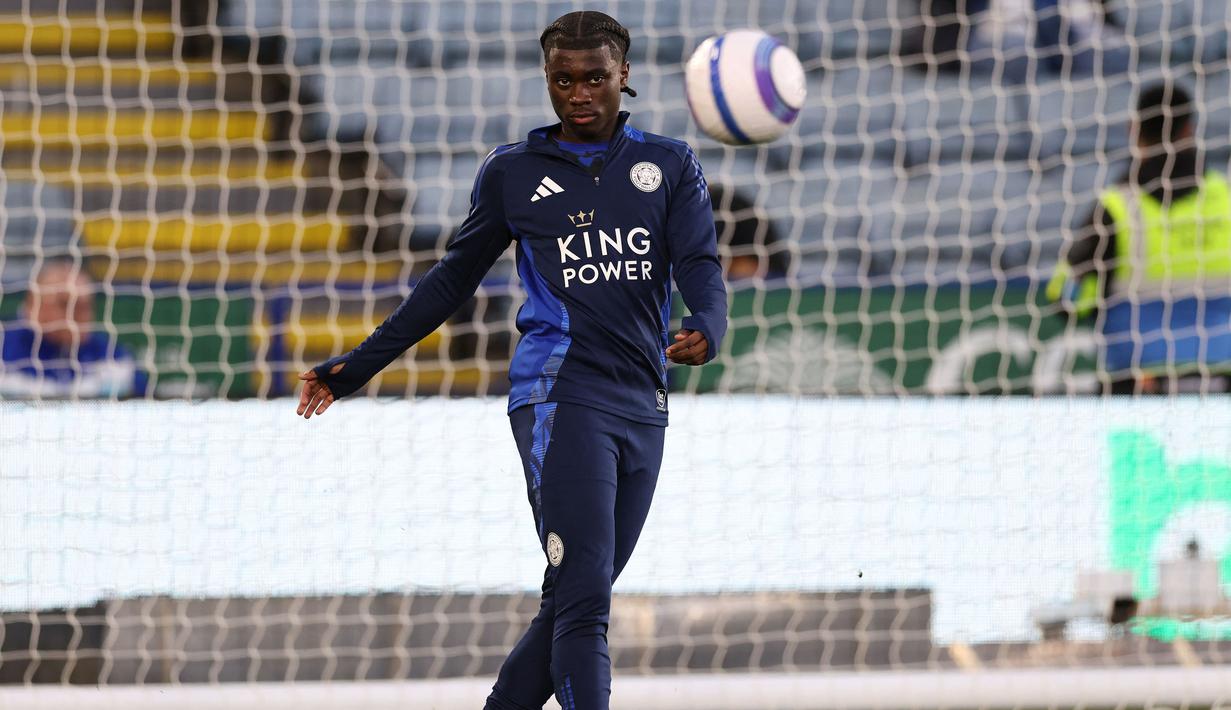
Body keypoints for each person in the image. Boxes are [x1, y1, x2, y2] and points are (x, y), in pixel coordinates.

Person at [295, 11, 727, 709]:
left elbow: (700, 261)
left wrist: (707, 324)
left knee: (572, 597)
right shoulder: (513, 173)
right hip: (559, 395)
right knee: (586, 602)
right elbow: (449, 280)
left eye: (594, 78)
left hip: (644, 404)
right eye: (563, 80)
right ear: (546, 80)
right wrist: (360, 366)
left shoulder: (669, 164)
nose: (578, 93)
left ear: (624, 77)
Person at [1048, 81, 1231, 394]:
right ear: (1189, 130)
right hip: (1222, 375)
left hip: (1137, 380)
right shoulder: (1226, 198)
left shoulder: (1115, 208)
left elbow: (1064, 298)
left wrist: (1095, 297)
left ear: (1133, 130)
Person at [0, 261, 144, 399]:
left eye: (86, 306)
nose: (80, 314)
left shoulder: (113, 357)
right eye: (65, 304)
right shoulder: (4, 348)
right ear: (33, 304)